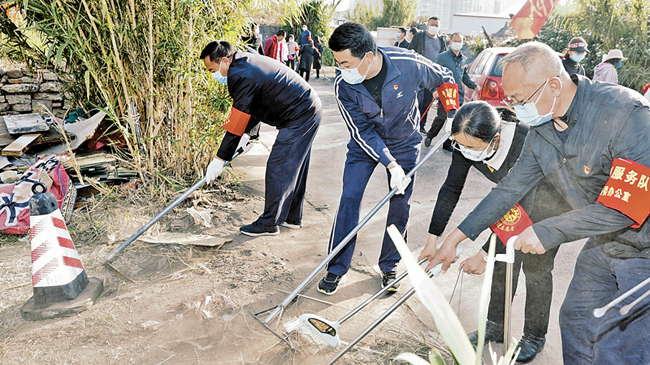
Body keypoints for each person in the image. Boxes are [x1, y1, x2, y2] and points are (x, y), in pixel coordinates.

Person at [429, 41, 650, 364]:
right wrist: (457, 237)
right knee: (575, 320)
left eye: (520, 100)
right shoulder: (542, 130)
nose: (516, 110)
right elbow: (509, 190)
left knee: (622, 347)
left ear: (554, 85)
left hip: (644, 250)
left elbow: (623, 207)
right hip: (602, 245)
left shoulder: (626, 115)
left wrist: (547, 231)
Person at [419, 101, 572, 363]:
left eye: (472, 148)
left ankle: (534, 335)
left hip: (550, 201)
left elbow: (523, 203)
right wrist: (433, 240)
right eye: (461, 146)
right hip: (513, 199)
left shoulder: (525, 141)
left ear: (496, 138)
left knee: (535, 266)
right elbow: (451, 189)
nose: (467, 152)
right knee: (502, 266)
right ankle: (495, 324)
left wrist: (484, 252)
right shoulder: (465, 141)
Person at [318, 22, 458, 295]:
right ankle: (336, 267)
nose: (341, 69)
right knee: (350, 198)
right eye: (337, 63)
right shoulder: (343, 86)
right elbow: (360, 130)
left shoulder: (409, 64)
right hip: (365, 146)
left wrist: (452, 112)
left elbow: (445, 77)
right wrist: (389, 164)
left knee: (399, 204)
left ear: (367, 57)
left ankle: (390, 265)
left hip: (405, 143)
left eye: (345, 63)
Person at [200, 40, 322, 236]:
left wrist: (219, 159)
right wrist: (249, 135)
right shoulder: (244, 61)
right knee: (293, 166)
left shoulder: (241, 74)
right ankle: (292, 218)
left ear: (224, 61)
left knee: (279, 166)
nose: (212, 74)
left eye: (212, 69)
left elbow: (236, 121)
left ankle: (269, 223)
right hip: (308, 107)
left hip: (300, 113)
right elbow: (254, 104)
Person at [423, 32, 479, 147]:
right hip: (446, 94)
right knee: (442, 117)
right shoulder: (442, 57)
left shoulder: (463, 59)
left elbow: (464, 76)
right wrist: (433, 90)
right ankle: (430, 135)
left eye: (460, 41)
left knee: (454, 120)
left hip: (458, 95)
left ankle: (448, 143)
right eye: (455, 41)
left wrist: (473, 85)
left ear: (463, 43)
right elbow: (433, 74)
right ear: (450, 42)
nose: (457, 43)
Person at [409, 16, 447, 134]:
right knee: (417, 101)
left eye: (436, 25)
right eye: (432, 24)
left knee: (427, 102)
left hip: (432, 76)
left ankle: (421, 125)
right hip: (419, 74)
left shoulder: (441, 40)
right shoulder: (419, 37)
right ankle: (412, 125)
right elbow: (410, 51)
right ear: (427, 25)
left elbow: (444, 57)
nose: (434, 27)